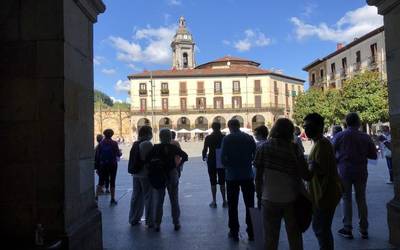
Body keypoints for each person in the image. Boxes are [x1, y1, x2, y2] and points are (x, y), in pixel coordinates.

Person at [254, 118, 311, 250]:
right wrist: (313, 166)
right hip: (291, 199)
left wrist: (259, 195)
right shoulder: (294, 149)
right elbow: (306, 175)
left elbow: (258, 178)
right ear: (290, 132)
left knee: (270, 239)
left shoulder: (263, 148)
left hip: (269, 199)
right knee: (295, 237)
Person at [333, 112, 377, 239]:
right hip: (361, 171)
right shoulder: (365, 137)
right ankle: (364, 229)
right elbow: (373, 155)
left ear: (347, 122)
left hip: (345, 171)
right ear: (358, 122)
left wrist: (340, 159)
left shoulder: (340, 136)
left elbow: (332, 152)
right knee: (361, 199)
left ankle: (347, 228)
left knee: (346, 199)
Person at [304, 113, 342, 250]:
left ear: (319, 126)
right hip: (322, 194)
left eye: (308, 126)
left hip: (325, 194)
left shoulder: (322, 145)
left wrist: (306, 166)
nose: (306, 129)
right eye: (304, 126)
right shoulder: (319, 143)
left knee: (321, 229)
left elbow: (316, 171)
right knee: (320, 228)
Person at [221, 119, 256, 242]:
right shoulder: (248, 138)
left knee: (232, 205)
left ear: (230, 127)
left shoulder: (227, 139)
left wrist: (228, 166)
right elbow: (255, 155)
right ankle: (251, 231)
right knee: (250, 204)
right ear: (239, 126)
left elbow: (222, 157)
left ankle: (234, 231)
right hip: (247, 175)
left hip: (232, 176)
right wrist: (248, 161)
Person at [147, 129, 188, 232]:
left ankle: (157, 224)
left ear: (160, 137)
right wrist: (177, 166)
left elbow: (147, 160)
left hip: (159, 175)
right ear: (170, 137)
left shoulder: (155, 147)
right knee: (174, 200)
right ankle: (176, 222)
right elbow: (185, 156)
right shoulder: (173, 147)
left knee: (159, 201)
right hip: (172, 174)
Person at [128, 126, 154, 227]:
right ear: (148, 133)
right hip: (145, 174)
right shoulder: (147, 144)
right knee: (148, 197)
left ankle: (133, 218)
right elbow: (150, 160)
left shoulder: (135, 143)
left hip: (135, 173)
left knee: (136, 196)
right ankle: (150, 221)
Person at [202, 122, 227, 208]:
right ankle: (224, 201)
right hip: (221, 160)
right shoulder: (224, 137)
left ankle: (214, 201)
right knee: (222, 181)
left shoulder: (208, 138)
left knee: (212, 180)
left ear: (212, 128)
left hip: (212, 160)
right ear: (220, 127)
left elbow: (205, 150)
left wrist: (204, 157)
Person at [95, 129, 122, 205]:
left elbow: (97, 156)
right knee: (112, 181)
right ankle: (112, 199)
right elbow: (118, 154)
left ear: (104, 134)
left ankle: (96, 197)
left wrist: (97, 167)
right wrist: (120, 153)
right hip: (112, 164)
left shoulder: (101, 143)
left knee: (100, 181)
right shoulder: (114, 143)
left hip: (103, 164)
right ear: (112, 135)